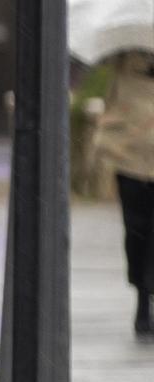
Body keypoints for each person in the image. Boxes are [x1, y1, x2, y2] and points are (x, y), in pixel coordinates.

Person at [92, 51, 154, 337]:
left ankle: (147, 295)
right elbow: (113, 106)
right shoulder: (124, 58)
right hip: (130, 160)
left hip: (132, 157)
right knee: (137, 231)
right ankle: (143, 296)